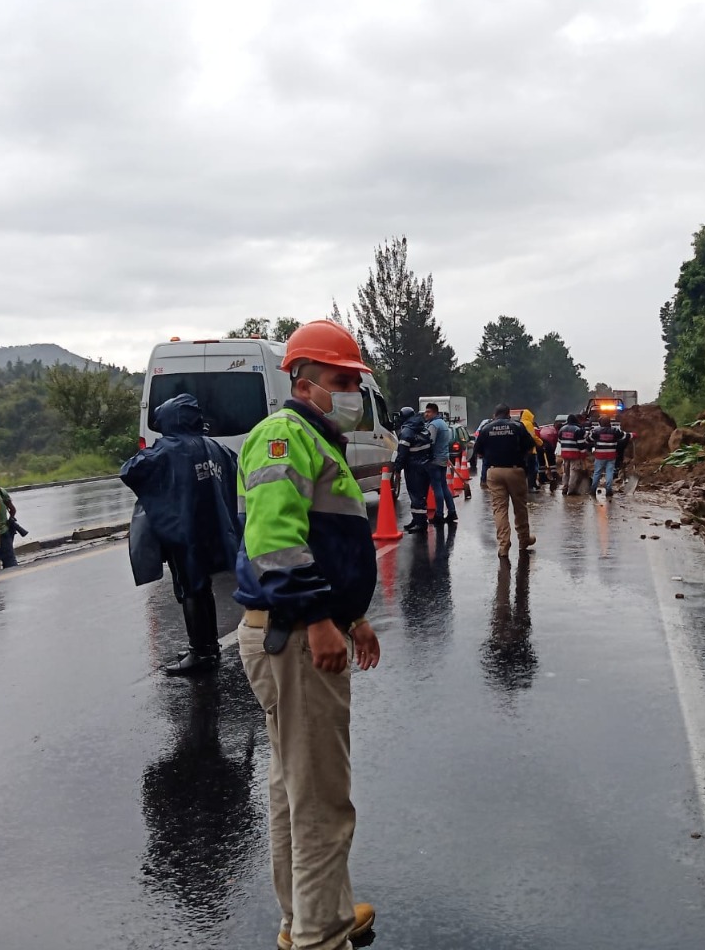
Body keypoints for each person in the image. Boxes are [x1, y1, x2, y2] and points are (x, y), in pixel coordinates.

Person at [232, 319, 380, 950]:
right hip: (292, 635)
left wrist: (351, 615)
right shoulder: (282, 437)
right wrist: (319, 618)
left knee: (296, 785)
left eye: (355, 382)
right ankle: (322, 934)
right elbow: (274, 541)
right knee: (321, 796)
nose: (351, 392)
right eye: (342, 381)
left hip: (301, 628)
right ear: (304, 381)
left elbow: (324, 543)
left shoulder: (316, 439)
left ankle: (308, 916)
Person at [121, 393, 241, 675]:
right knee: (203, 589)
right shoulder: (216, 448)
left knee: (191, 590)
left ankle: (202, 653)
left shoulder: (168, 450)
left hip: (184, 531)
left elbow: (130, 470)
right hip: (214, 528)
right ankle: (207, 646)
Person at [472, 404, 537, 558]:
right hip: (515, 470)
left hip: (494, 472)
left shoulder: (486, 429)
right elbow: (530, 447)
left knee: (499, 509)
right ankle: (524, 540)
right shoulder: (518, 426)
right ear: (509, 415)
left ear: (494, 415)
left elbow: (478, 452)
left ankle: (503, 544)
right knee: (520, 507)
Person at [394, 405, 433, 533]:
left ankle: (421, 523)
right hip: (425, 465)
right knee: (420, 494)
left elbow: (402, 453)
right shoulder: (422, 427)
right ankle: (416, 519)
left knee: (416, 495)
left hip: (414, 467)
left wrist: (397, 468)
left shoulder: (407, 431)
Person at [423, 402, 459, 525]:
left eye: (429, 412)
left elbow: (429, 442)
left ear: (435, 412)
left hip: (434, 460)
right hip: (443, 459)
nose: (426, 414)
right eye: (426, 411)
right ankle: (452, 511)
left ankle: (439, 515)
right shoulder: (444, 424)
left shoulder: (433, 425)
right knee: (443, 486)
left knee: (437, 487)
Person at [588, 416, 627, 497]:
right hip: (611, 455)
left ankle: (593, 489)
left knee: (597, 472)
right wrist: (632, 435)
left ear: (600, 423)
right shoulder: (615, 430)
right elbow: (623, 436)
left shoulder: (596, 431)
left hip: (599, 455)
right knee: (609, 472)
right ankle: (608, 490)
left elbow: (590, 438)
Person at [557, 415, 590, 496]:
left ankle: (564, 488)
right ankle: (571, 490)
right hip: (575, 454)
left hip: (564, 453)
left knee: (566, 472)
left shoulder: (562, 429)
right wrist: (583, 453)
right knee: (574, 472)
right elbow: (580, 443)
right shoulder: (578, 429)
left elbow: (560, 440)